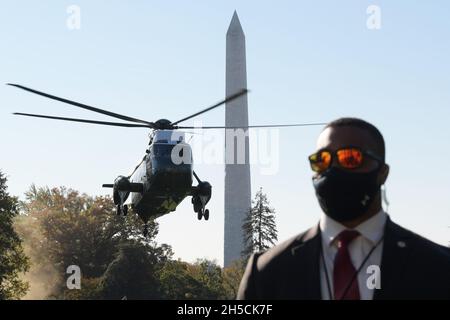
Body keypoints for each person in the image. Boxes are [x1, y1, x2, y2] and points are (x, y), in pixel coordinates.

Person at [237, 117, 450, 300]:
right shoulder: (268, 271)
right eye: (322, 160)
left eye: (350, 158)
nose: (333, 169)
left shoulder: (437, 266)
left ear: (382, 173)